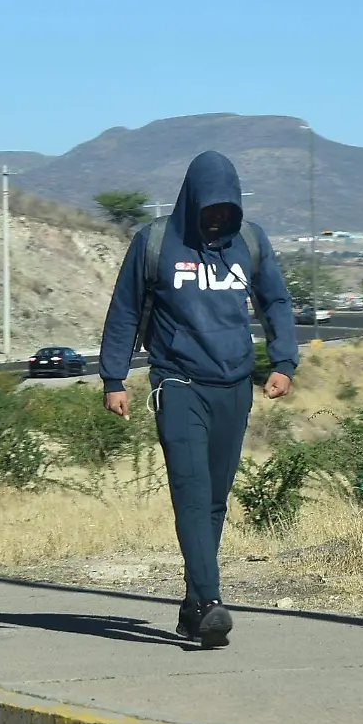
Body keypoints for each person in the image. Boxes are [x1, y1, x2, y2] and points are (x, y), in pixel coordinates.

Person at [99, 150, 298, 648]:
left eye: (225, 210)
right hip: (178, 381)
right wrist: (114, 378)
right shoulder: (157, 242)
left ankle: (192, 607)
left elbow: (274, 300)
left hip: (234, 386)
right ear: (192, 201)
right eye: (209, 209)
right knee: (190, 490)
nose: (216, 219)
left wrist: (283, 361)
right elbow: (124, 310)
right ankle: (210, 601)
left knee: (213, 499)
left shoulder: (249, 242)